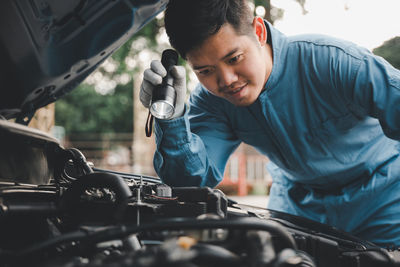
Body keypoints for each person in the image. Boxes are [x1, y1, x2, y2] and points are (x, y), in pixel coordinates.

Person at [139, 0, 400, 247]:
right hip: (298, 211)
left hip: (385, 205)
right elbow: (190, 179)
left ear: (259, 31)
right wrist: (171, 117)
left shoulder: (336, 62)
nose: (226, 80)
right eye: (205, 70)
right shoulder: (211, 102)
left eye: (234, 58)